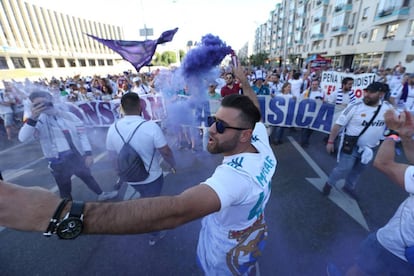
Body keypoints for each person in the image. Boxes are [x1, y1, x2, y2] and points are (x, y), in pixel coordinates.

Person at [0, 64, 277, 275]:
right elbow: (255, 111)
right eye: (211, 120)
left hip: (224, 257)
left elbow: (175, 210)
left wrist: (59, 215)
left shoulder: (234, 179)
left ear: (243, 135)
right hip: (250, 237)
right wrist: (244, 83)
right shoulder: (259, 140)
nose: (210, 129)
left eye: (220, 126)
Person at [327, 109, 414, 276]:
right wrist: (407, 137)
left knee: (362, 268)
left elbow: (383, 163)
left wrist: (393, 133)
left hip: (392, 246)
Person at [18, 91, 118, 201]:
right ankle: (67, 210)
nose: (42, 106)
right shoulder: (37, 120)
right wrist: (33, 118)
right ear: (32, 106)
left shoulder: (67, 115)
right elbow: (23, 138)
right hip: (57, 162)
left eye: (44, 102)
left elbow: (82, 134)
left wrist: (88, 154)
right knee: (65, 190)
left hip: (75, 156)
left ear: (51, 101)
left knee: (87, 177)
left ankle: (101, 194)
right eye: (37, 104)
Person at [106, 92, 176, 245]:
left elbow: (111, 156)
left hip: (129, 177)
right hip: (152, 176)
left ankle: (145, 224)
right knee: (152, 204)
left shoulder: (113, 128)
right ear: (140, 106)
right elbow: (165, 151)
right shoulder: (150, 126)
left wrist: (118, 172)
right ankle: (153, 234)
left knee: (144, 200)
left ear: (122, 109)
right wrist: (172, 164)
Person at [322, 82, 393, 200]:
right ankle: (329, 183)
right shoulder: (355, 106)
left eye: (371, 92)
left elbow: (395, 123)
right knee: (343, 168)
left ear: (381, 94)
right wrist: (330, 141)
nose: (367, 95)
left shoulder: (387, 108)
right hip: (351, 146)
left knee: (358, 170)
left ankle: (349, 187)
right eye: (367, 91)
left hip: (370, 149)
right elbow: (338, 124)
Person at [300, 79, 325, 147]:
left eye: (316, 84)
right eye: (313, 84)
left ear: (318, 85)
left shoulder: (321, 92)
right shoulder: (306, 92)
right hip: (306, 113)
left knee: (311, 129)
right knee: (305, 128)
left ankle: (306, 139)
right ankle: (304, 142)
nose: (314, 86)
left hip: (316, 113)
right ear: (311, 85)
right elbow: (301, 100)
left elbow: (324, 100)